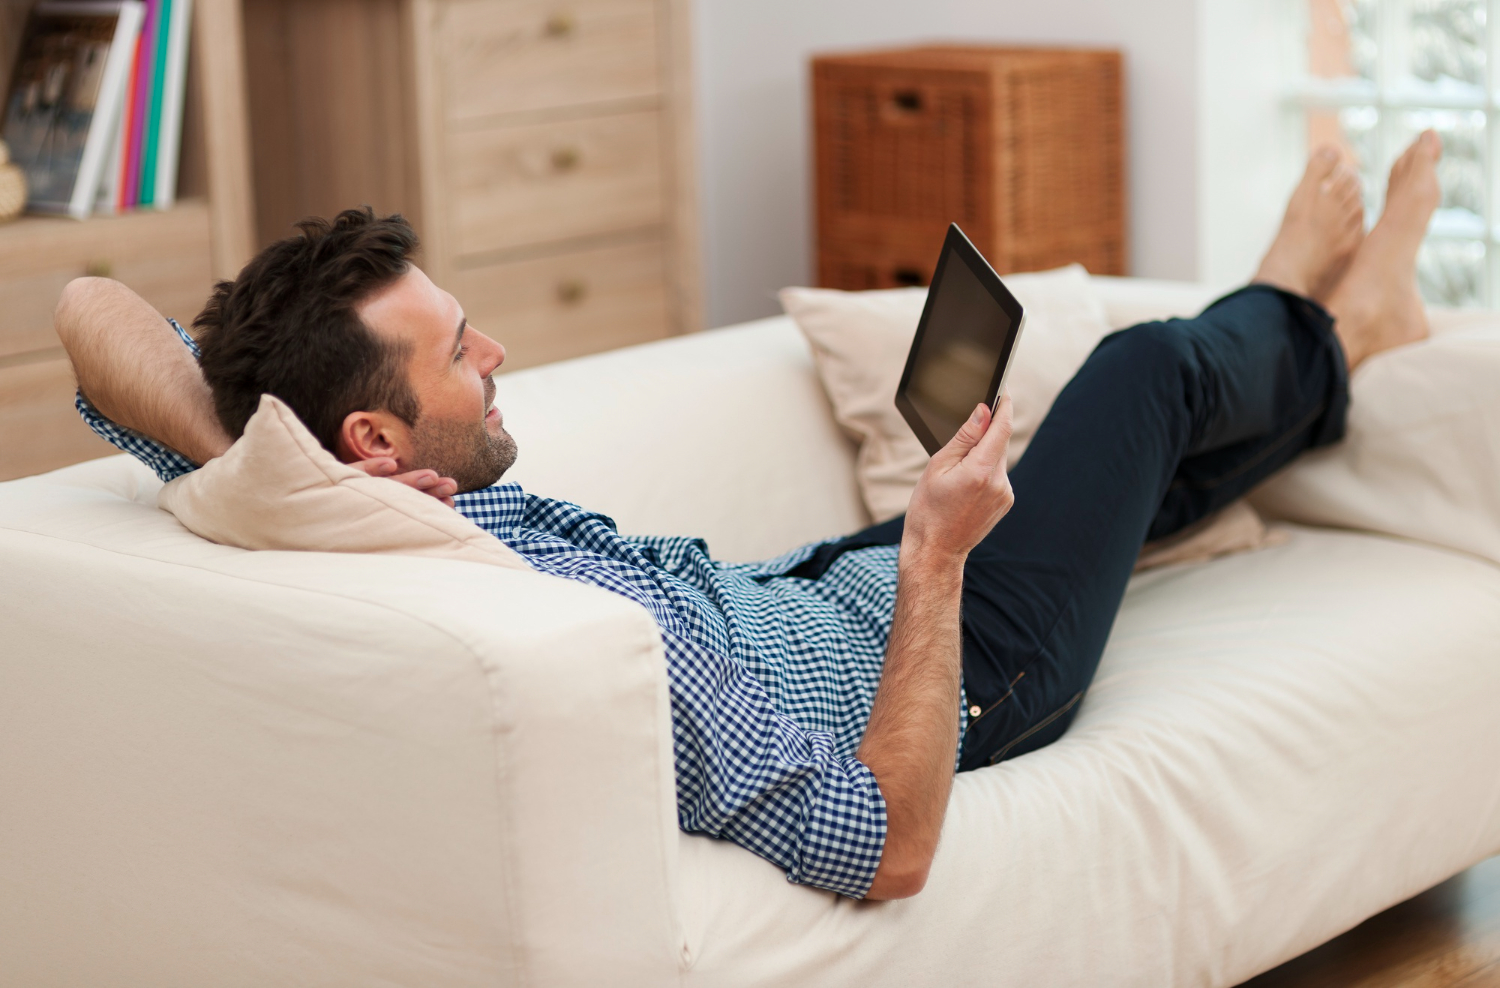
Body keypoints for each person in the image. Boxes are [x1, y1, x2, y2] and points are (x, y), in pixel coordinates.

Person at [56, 131, 1442, 902]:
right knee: (1136, 373)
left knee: (1134, 477)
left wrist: (272, 461)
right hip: (975, 666)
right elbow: (884, 844)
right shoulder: (587, 641)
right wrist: (940, 564)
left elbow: (91, 314)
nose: (497, 363)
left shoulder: (320, 493)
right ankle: (1334, 321)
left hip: (821, 586)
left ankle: (1306, 344)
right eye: (462, 355)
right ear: (381, 432)